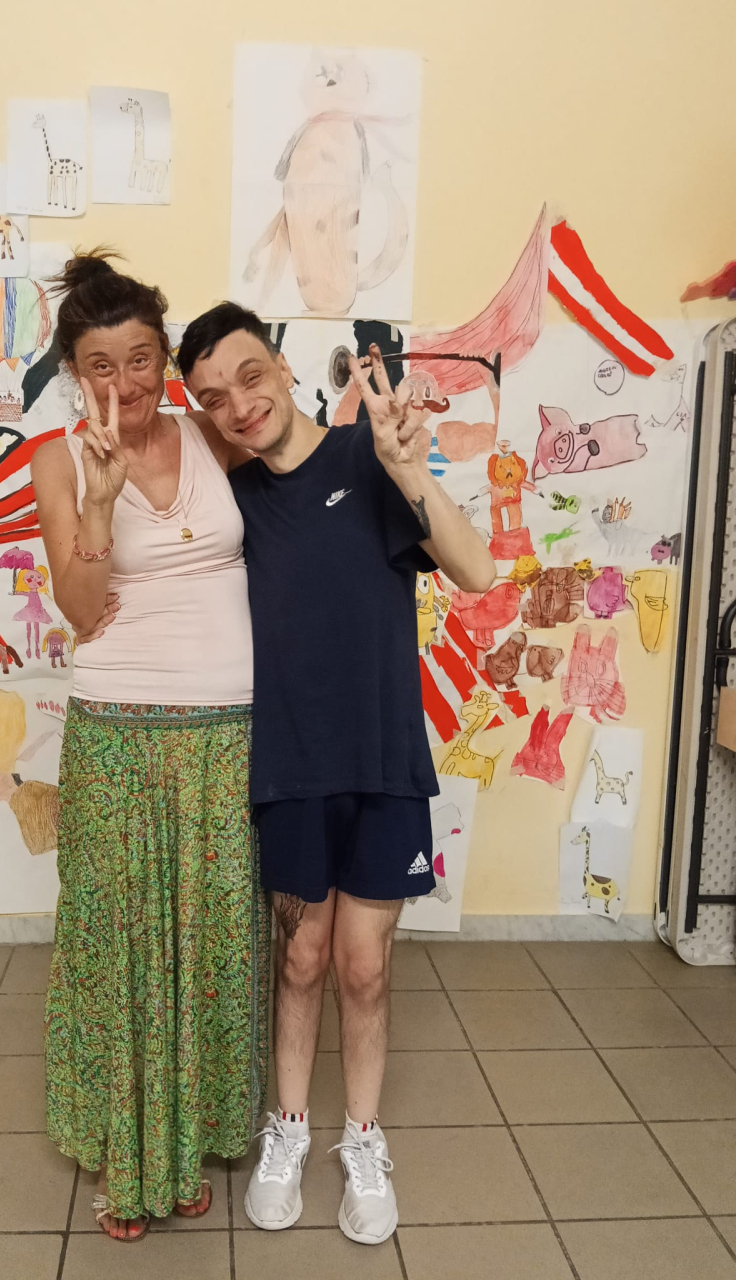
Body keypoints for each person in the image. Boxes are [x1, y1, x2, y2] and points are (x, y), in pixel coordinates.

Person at [176, 303, 497, 1246]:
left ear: (283, 368)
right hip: (289, 766)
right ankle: (288, 1130)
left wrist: (407, 469)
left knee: (364, 966)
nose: (238, 404)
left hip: (383, 760)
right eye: (213, 397)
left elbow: (477, 572)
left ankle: (362, 1138)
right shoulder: (235, 499)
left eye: (249, 376)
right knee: (301, 957)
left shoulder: (369, 454)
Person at [30, 256, 270, 1242]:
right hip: (116, 733)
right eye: (100, 364)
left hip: (227, 731)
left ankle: (192, 1138)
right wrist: (99, 501)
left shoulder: (214, 434)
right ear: (74, 372)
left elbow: (299, 504)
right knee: (119, 945)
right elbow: (83, 612)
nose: (122, 382)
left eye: (139, 359)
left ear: (166, 358)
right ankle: (128, 1157)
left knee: (213, 940)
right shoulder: (58, 460)